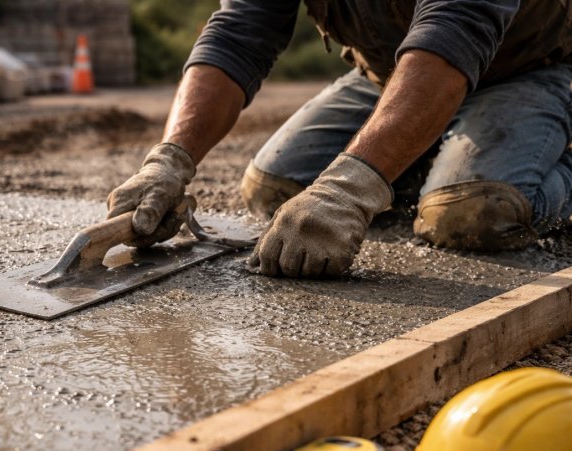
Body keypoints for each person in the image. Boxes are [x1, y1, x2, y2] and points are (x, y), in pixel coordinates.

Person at [106, 0, 572, 278]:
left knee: (473, 214)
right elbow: (236, 38)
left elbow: (455, 30)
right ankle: (427, 147)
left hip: (530, 69)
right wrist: (169, 159)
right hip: (393, 75)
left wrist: (349, 189)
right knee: (276, 190)